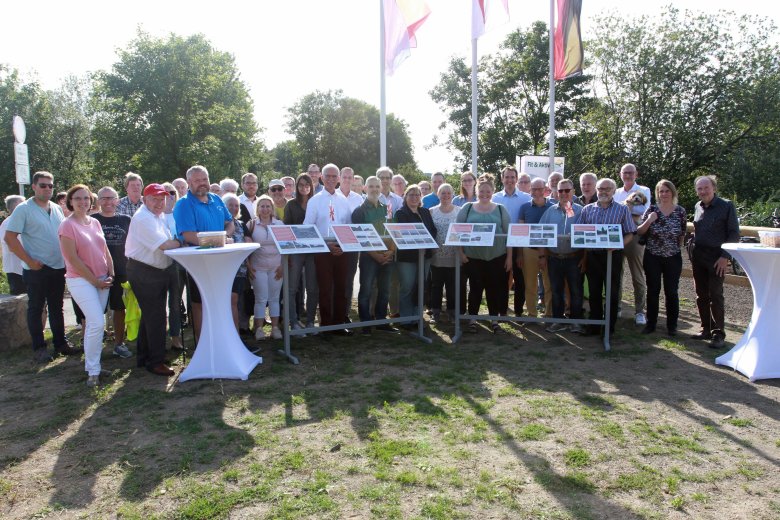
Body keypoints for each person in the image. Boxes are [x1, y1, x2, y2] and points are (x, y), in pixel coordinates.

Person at [4, 171, 78, 363]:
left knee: (57, 307)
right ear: (34, 187)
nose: (47, 189)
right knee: (36, 308)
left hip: (57, 266)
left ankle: (61, 343)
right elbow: (10, 238)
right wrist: (29, 261)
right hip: (36, 268)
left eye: (50, 186)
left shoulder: (56, 208)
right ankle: (39, 348)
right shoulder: (23, 209)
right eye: (43, 185)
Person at [58, 185, 115, 386]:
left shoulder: (95, 222)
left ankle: (95, 367)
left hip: (102, 279)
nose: (83, 202)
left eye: (86, 198)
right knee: (97, 323)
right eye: (78, 198)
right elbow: (71, 258)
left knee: (95, 325)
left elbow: (104, 249)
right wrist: (94, 281)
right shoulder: (67, 225)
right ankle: (92, 371)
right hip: (81, 280)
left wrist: (111, 271)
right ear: (70, 202)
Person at [126, 184, 182, 376]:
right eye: (155, 199)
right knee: (157, 317)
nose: (159, 203)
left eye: (162, 199)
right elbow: (166, 245)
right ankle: (155, 361)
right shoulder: (143, 218)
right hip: (145, 272)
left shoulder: (155, 216)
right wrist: (182, 242)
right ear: (144, 200)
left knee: (150, 317)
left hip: (154, 270)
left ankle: (145, 357)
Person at [173, 164, 234, 340]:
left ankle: (221, 338)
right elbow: (188, 235)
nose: (202, 183)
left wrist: (226, 235)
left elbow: (229, 223)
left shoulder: (216, 199)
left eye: (204, 179)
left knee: (220, 300)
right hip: (198, 261)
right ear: (189, 183)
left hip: (221, 259)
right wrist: (218, 241)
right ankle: (202, 342)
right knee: (200, 303)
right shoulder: (183, 204)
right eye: (197, 180)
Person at [577, 178, 637, 336]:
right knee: (594, 292)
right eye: (600, 189)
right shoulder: (587, 210)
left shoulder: (622, 209)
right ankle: (594, 325)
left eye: (607, 189)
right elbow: (579, 233)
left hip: (613, 256)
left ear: (613, 191)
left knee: (612, 291)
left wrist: (619, 245)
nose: (603, 192)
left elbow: (630, 233)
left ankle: (609, 327)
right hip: (593, 256)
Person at [303, 163, 354, 337]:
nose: (331, 179)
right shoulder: (315, 200)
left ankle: (339, 323)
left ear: (339, 178)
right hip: (323, 250)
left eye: (334, 176)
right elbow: (307, 228)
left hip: (341, 250)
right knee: (324, 289)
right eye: (328, 176)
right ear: (321, 178)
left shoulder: (343, 200)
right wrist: (326, 245)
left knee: (342, 287)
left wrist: (343, 246)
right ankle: (325, 324)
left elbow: (348, 226)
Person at [457, 174, 512, 333]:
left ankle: (494, 320)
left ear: (493, 191)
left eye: (488, 191)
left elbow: (509, 236)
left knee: (493, 289)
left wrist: (509, 257)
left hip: (496, 257)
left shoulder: (501, 210)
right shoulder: (467, 208)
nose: (484, 194)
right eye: (481, 191)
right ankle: (472, 318)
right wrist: (461, 253)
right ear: (476, 191)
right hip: (473, 258)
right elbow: (457, 232)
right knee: (475, 288)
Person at [689, 175, 739, 348]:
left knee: (716, 295)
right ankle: (706, 328)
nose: (703, 191)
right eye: (699, 189)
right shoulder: (697, 206)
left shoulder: (726, 206)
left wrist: (725, 256)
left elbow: (734, 233)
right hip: (699, 255)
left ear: (714, 188)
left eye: (706, 187)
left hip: (717, 257)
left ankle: (719, 333)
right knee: (701, 294)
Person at [637, 180, 687, 336]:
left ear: (672, 192)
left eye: (667, 191)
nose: (664, 194)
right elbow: (639, 231)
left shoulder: (680, 211)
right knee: (653, 290)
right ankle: (651, 324)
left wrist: (673, 248)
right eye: (661, 191)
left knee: (672, 292)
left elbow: (682, 234)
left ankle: (672, 326)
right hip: (653, 256)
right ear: (657, 194)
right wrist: (649, 220)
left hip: (672, 257)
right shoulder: (651, 209)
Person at [352, 176, 398, 335]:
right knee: (366, 290)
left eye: (377, 186)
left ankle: (381, 321)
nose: (375, 189)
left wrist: (391, 251)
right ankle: (365, 323)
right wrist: (376, 255)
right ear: (365, 188)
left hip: (388, 256)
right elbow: (360, 238)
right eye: (371, 186)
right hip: (369, 258)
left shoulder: (388, 209)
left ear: (382, 188)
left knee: (384, 290)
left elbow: (394, 233)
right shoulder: (359, 211)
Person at [92, 186, 133, 358]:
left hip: (122, 270)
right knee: (94, 311)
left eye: (111, 198)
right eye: (104, 198)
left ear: (117, 200)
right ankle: (93, 346)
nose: (108, 202)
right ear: (98, 201)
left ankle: (119, 343)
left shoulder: (126, 219)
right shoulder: (92, 220)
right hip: (97, 271)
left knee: (119, 308)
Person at [538, 179, 584, 333]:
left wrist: (585, 258)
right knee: (556, 291)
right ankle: (558, 321)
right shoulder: (550, 211)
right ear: (556, 193)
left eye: (567, 190)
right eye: (560, 191)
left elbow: (588, 236)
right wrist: (542, 256)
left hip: (574, 258)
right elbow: (541, 234)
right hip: (554, 258)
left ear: (573, 191)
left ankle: (575, 322)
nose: (563, 193)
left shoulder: (581, 211)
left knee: (576, 291)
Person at [613, 163, 652, 326]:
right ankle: (617, 307)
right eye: (624, 173)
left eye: (630, 172)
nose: (627, 175)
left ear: (636, 174)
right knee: (616, 274)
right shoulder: (616, 192)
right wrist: (627, 210)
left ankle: (639, 311)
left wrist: (626, 210)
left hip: (635, 234)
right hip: (617, 233)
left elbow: (644, 210)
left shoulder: (644, 190)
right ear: (620, 174)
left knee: (637, 274)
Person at [395, 184, 437, 327]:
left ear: (421, 197)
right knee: (407, 287)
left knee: (420, 286)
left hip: (425, 256)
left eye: (417, 195)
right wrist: (422, 243)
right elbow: (406, 234)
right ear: (405, 197)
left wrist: (426, 245)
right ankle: (406, 319)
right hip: (407, 257)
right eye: (411, 195)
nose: (414, 197)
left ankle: (417, 317)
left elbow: (433, 230)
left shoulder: (425, 212)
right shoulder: (400, 213)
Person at [492, 165, 531, 317]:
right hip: (501, 245)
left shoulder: (526, 198)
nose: (509, 180)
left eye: (512, 177)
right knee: (502, 280)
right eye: (507, 177)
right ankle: (502, 311)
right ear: (502, 179)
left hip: (520, 245)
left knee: (520, 281)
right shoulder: (495, 198)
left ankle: (519, 312)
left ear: (516, 179)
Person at [283, 173, 319, 332]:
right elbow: (286, 228)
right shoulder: (290, 205)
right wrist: (289, 253)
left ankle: (310, 321)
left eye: (307, 185)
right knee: (292, 288)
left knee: (312, 288)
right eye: (301, 185)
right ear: (297, 187)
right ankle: (293, 322)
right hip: (296, 251)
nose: (304, 187)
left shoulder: (316, 202)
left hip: (313, 250)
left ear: (311, 186)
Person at [518, 178, 553, 318]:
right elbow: (520, 232)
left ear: (545, 189)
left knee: (549, 285)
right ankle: (532, 314)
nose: (537, 192)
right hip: (529, 250)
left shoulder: (553, 206)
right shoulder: (524, 207)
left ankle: (549, 314)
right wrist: (520, 254)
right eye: (534, 189)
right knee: (530, 285)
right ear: (530, 190)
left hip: (549, 251)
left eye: (540, 189)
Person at [222, 193, 252, 334]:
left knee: (235, 300)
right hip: (223, 268)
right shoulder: (218, 223)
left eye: (236, 205)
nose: (234, 208)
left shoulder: (241, 224)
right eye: (230, 205)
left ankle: (236, 334)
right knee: (230, 301)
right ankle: (230, 334)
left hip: (240, 269)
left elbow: (249, 242)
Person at [161, 182, 185, 351]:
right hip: (159, 263)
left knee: (175, 302)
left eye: (172, 193)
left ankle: (175, 337)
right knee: (160, 303)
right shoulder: (155, 216)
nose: (169, 195)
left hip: (179, 262)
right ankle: (159, 337)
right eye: (165, 192)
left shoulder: (179, 214)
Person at [429, 183, 459, 323]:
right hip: (436, 255)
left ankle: (452, 312)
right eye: (443, 193)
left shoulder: (459, 211)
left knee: (452, 286)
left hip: (454, 255)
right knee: (436, 286)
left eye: (449, 193)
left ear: (453, 194)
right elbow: (428, 232)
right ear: (438, 195)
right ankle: (435, 312)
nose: (446, 196)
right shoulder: (431, 211)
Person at [339, 167, 365, 322]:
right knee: (335, 280)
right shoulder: (332, 196)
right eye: (345, 177)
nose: (347, 180)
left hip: (352, 246)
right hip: (334, 244)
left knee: (348, 279)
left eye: (350, 177)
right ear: (340, 178)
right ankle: (332, 313)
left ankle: (345, 313)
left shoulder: (358, 199)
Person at [1, 195, 26, 295]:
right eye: (23, 204)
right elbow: (13, 247)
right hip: (16, 270)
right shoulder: (8, 223)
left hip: (24, 268)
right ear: (16, 206)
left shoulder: (20, 221)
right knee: (20, 301)